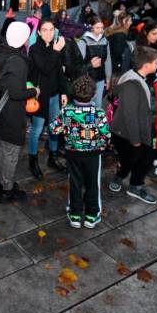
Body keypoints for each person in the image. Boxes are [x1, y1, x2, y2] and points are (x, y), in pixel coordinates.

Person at [50, 75, 110, 228]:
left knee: (75, 183)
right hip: (92, 155)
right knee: (92, 184)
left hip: (73, 154)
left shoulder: (67, 112)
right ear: (94, 94)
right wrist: (102, 145)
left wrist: (65, 130)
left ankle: (75, 215)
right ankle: (91, 215)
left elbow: (53, 129)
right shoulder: (98, 113)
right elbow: (106, 135)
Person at [0, 22, 37, 202]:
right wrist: (34, 92)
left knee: (4, 147)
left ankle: (0, 179)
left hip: (2, 109)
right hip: (12, 112)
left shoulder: (2, 52)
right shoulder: (17, 61)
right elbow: (17, 93)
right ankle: (7, 189)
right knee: (11, 151)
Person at [109, 45, 157, 204]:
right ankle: (120, 177)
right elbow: (130, 115)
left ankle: (135, 185)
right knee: (129, 159)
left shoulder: (138, 77)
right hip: (130, 133)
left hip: (143, 129)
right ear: (146, 66)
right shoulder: (132, 84)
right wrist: (136, 139)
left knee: (146, 159)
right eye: (156, 62)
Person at [27, 21, 68, 179]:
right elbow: (45, 68)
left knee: (54, 128)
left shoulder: (55, 46)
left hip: (54, 95)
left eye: (51, 30)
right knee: (36, 130)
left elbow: (59, 72)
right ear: (38, 32)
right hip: (40, 96)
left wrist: (63, 92)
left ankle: (53, 157)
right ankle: (33, 160)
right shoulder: (34, 49)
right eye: (45, 30)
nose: (49, 33)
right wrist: (56, 51)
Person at [77, 16, 112, 107]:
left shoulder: (105, 41)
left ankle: (97, 121)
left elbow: (107, 60)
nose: (100, 30)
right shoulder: (83, 41)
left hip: (100, 78)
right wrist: (91, 64)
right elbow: (78, 63)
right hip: (87, 79)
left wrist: (108, 78)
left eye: (102, 28)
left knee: (98, 104)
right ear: (91, 27)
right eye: (97, 28)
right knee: (87, 105)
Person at [105, 11, 133, 76]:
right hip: (117, 70)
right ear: (124, 21)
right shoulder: (120, 35)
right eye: (130, 20)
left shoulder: (115, 32)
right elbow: (117, 54)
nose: (131, 23)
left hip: (113, 67)